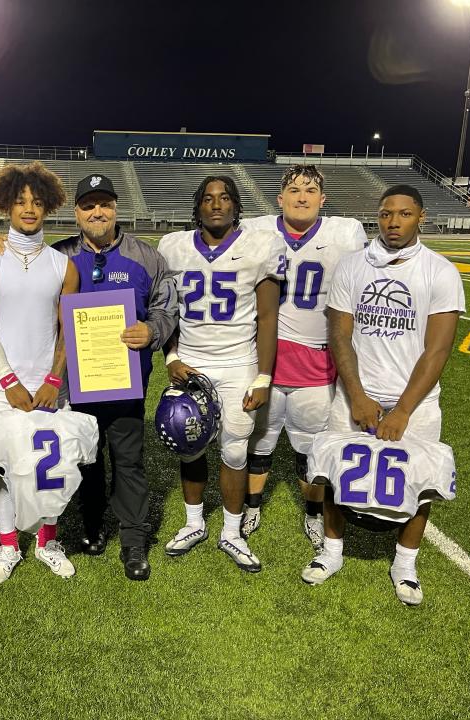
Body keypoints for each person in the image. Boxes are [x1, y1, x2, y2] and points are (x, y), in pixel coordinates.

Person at [0, 174, 178, 581]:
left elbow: (165, 305)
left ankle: (133, 541)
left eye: (104, 204)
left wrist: (152, 330)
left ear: (116, 208)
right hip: (73, 385)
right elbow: (23, 306)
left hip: (125, 382)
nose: (97, 212)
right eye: (88, 205)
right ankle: (92, 528)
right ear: (76, 212)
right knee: (85, 459)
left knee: (127, 462)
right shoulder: (59, 256)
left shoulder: (146, 256)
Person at [301, 184, 465, 605]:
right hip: (358, 393)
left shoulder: (440, 270)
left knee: (422, 484)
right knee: (338, 474)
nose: (394, 222)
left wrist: (404, 411)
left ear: (421, 217)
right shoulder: (353, 266)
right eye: (387, 213)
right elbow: (340, 334)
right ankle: (332, 551)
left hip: (417, 402)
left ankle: (405, 563)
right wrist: (356, 395)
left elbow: (438, 348)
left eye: (405, 214)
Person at [158, 176, 286, 572]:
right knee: (189, 443)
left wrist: (263, 377)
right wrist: (171, 358)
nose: (216, 205)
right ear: (198, 206)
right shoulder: (173, 247)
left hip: (237, 365)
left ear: (235, 206)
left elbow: (267, 318)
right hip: (191, 362)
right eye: (208, 199)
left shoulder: (260, 245)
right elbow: (167, 312)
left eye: (225, 198)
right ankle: (194, 523)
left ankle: (231, 532)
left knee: (234, 449)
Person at [239, 165, 367, 550]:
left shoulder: (344, 235)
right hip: (265, 361)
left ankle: (312, 515)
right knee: (258, 441)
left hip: (317, 361)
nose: (301, 196)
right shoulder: (255, 230)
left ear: (322, 200)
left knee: (308, 448)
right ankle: (252, 505)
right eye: (293, 189)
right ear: (279, 198)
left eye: (310, 190)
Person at [0, 161, 81, 584]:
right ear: (6, 206)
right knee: (4, 466)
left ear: (49, 206)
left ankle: (48, 541)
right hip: (3, 388)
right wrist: (10, 383)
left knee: (52, 466)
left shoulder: (63, 266)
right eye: (20, 201)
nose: (29, 209)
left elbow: (66, 329)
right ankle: (8, 544)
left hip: (51, 386)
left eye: (36, 202)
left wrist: (54, 380)